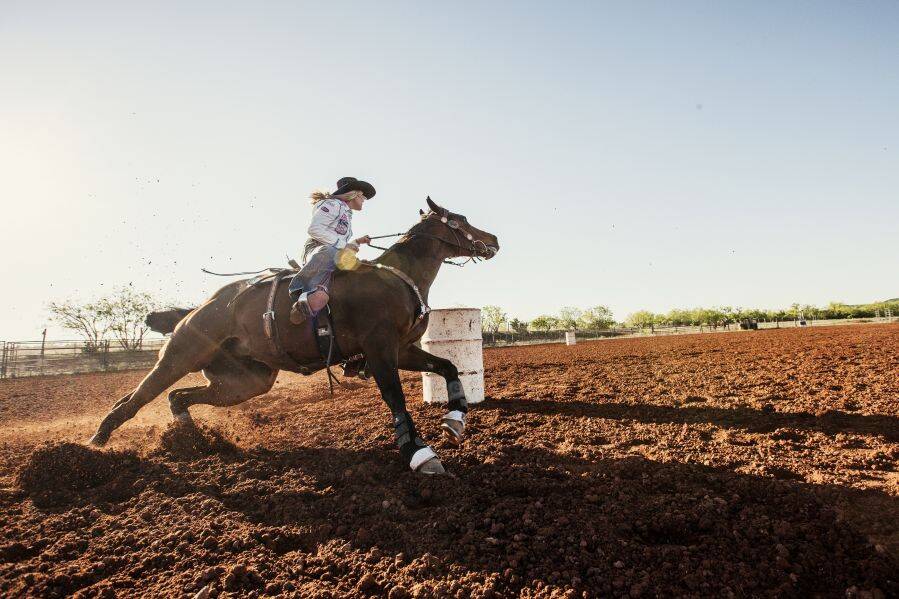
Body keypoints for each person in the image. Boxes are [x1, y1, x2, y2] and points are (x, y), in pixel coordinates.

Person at [288, 177, 375, 324]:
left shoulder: (346, 213)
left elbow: (339, 243)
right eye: (363, 195)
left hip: (331, 251)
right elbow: (314, 229)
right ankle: (302, 291)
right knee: (332, 252)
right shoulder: (333, 205)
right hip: (317, 249)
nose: (365, 199)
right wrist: (345, 246)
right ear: (354, 194)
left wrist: (356, 242)